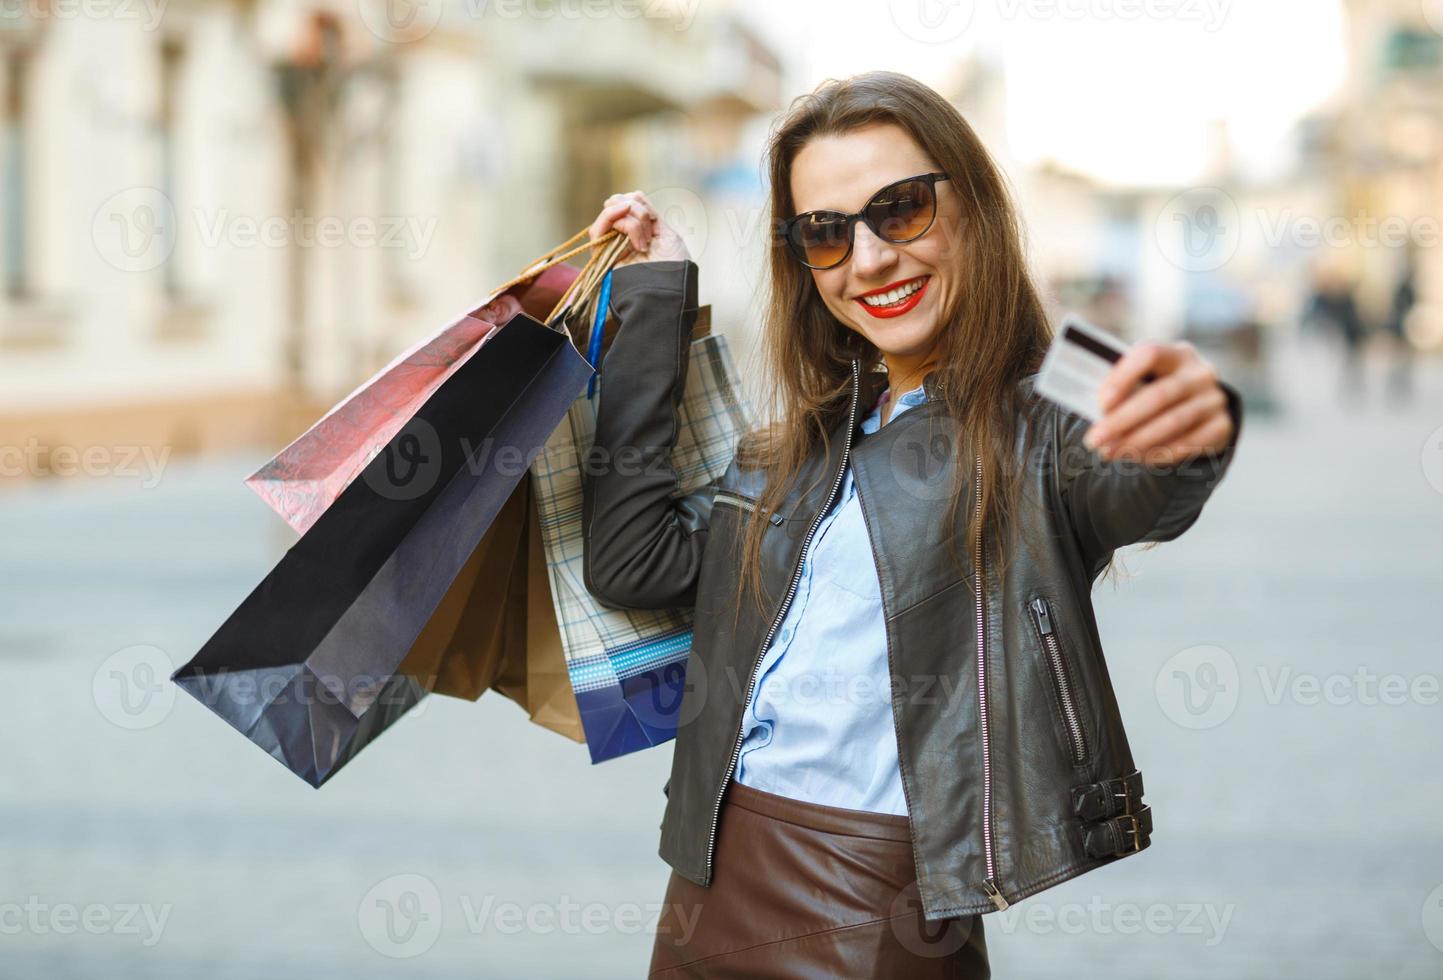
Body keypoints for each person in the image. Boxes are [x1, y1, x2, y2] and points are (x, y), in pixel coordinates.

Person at [581, 71, 1242, 979]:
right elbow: (627, 561)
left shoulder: (1041, 420)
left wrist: (1191, 426)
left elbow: (1139, 474)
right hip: (703, 891)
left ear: (971, 208)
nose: (869, 259)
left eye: (900, 209)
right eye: (825, 232)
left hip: (881, 916)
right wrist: (656, 297)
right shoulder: (791, 452)